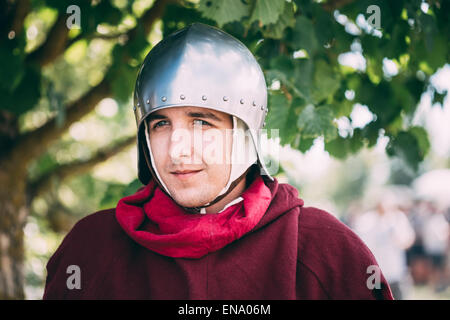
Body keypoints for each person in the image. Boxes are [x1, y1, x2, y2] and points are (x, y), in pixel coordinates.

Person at [42, 23, 393, 300]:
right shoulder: (92, 249)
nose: (178, 150)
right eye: (161, 123)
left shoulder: (324, 250)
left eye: (201, 122)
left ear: (245, 132)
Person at [352, 199, 415, 299]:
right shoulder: (367, 220)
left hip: (396, 270)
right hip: (374, 271)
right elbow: (359, 243)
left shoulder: (398, 218)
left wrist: (399, 240)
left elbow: (409, 239)